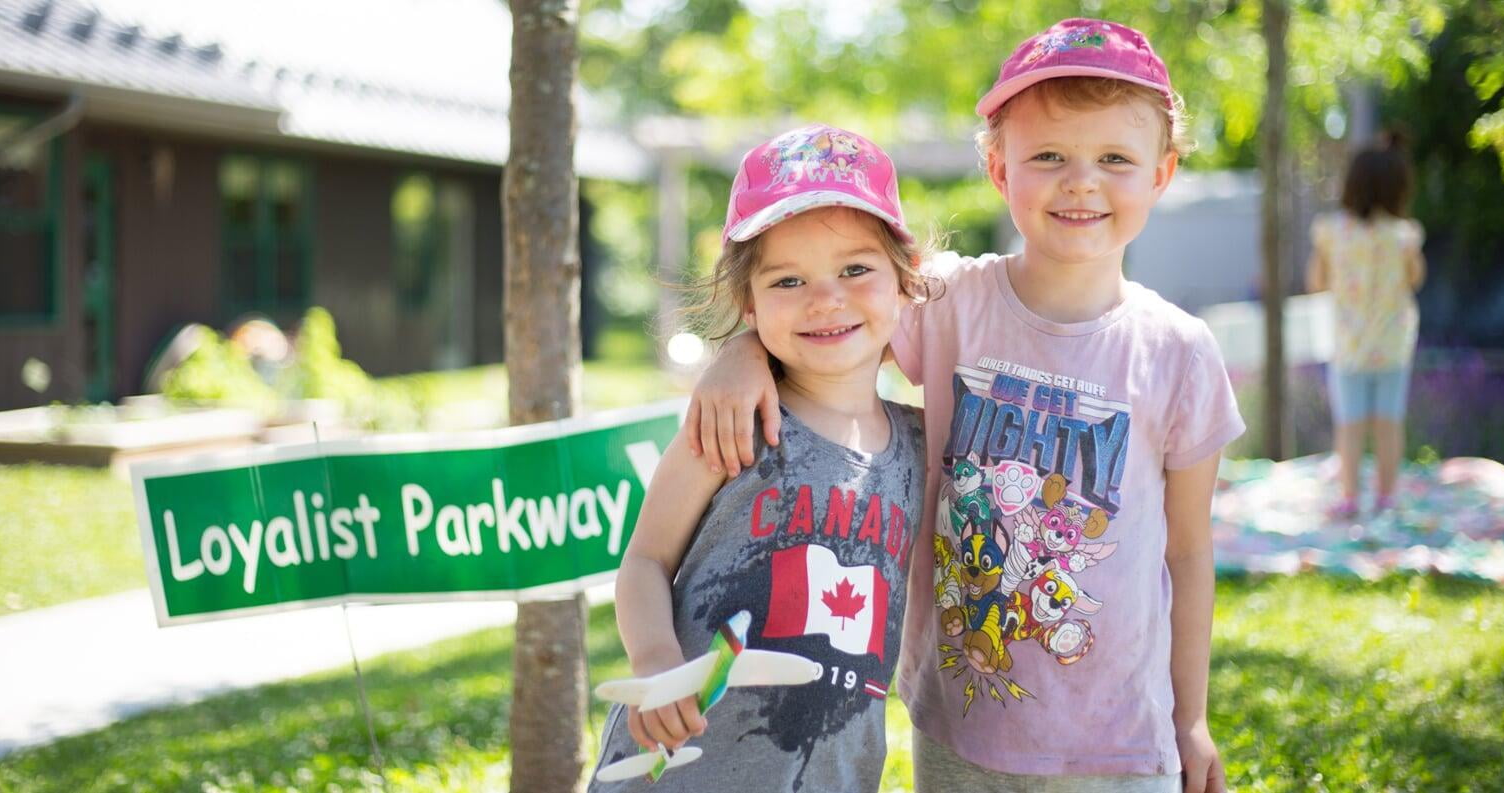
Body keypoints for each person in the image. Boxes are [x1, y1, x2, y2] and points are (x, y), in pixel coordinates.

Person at [683, 19, 1244, 793]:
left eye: (1114, 158)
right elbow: (831, 322)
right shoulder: (947, 301)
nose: (1080, 181)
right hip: (960, 727)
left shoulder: (1179, 352)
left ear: (1161, 172)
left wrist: (1191, 719)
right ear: (996, 168)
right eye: (1047, 155)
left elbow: (1187, 554)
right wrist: (740, 349)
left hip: (1119, 741)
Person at [588, 123, 935, 792]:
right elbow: (644, 560)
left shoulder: (922, 442)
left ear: (905, 279)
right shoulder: (735, 419)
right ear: (749, 303)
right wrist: (656, 657)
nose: (825, 297)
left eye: (856, 269)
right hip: (680, 771)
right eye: (788, 280)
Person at [1307, 134, 1425, 519]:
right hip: (1392, 343)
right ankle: (1388, 497)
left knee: (1351, 424)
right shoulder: (1404, 235)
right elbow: (1415, 279)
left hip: (1349, 344)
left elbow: (1316, 282)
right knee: (1389, 423)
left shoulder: (1331, 232)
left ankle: (1350, 497)